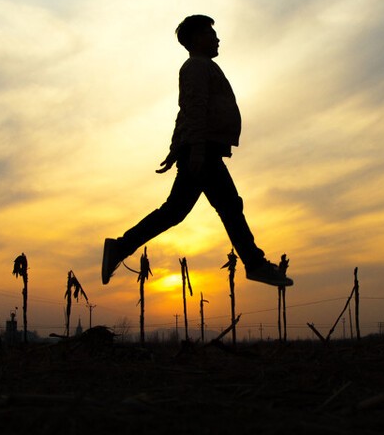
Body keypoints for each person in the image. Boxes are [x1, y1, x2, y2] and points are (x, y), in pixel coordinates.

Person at [102, 15, 292, 287]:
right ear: (195, 39)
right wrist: (196, 152)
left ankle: (120, 247)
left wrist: (176, 147)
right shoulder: (196, 67)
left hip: (199, 149)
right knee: (229, 207)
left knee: (175, 212)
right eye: (209, 34)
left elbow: (185, 112)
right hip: (204, 152)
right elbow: (194, 108)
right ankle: (256, 264)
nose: (216, 38)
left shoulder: (203, 67)